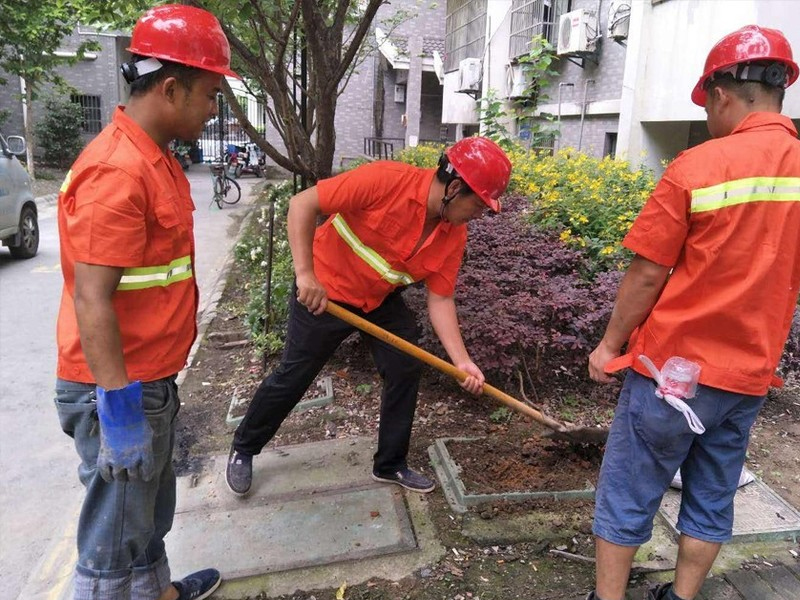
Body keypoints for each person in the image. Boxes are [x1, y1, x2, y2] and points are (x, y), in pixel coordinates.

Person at [586, 25, 800, 600]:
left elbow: (648, 272)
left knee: (630, 488)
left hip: (671, 375)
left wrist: (609, 346)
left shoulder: (697, 168)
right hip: (748, 378)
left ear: (721, 94)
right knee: (712, 493)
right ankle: (681, 598)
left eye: (706, 104)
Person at [54, 5, 240, 599]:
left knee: (146, 518)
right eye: (210, 94)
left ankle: (157, 592)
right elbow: (92, 299)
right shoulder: (118, 170)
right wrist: (119, 409)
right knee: (112, 541)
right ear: (169, 87)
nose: (214, 109)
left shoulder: (154, 158)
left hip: (146, 378)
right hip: (119, 386)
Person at [226, 137, 512, 496]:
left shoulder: (453, 234)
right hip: (325, 291)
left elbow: (441, 299)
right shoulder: (385, 180)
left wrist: (463, 362)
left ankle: (390, 464)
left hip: (378, 300)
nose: (480, 213)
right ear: (455, 188)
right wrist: (305, 275)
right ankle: (244, 448)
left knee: (405, 365)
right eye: (480, 205)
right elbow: (302, 204)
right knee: (294, 375)